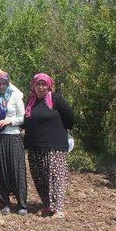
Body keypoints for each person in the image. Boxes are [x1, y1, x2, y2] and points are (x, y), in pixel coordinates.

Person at [24, 73, 74, 218]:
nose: (40, 87)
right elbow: (25, 122)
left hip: (55, 147)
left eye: (43, 84)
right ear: (33, 86)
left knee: (55, 178)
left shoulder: (56, 100)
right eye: (38, 84)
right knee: (40, 178)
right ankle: (48, 206)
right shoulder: (31, 102)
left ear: (49, 85)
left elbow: (70, 119)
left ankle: (58, 209)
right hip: (35, 147)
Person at [0, 70, 28, 216]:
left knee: (17, 170)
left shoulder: (15, 96)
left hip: (13, 135)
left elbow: (23, 117)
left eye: (4, 83)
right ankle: (4, 202)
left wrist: (10, 121)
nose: (2, 86)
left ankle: (22, 203)